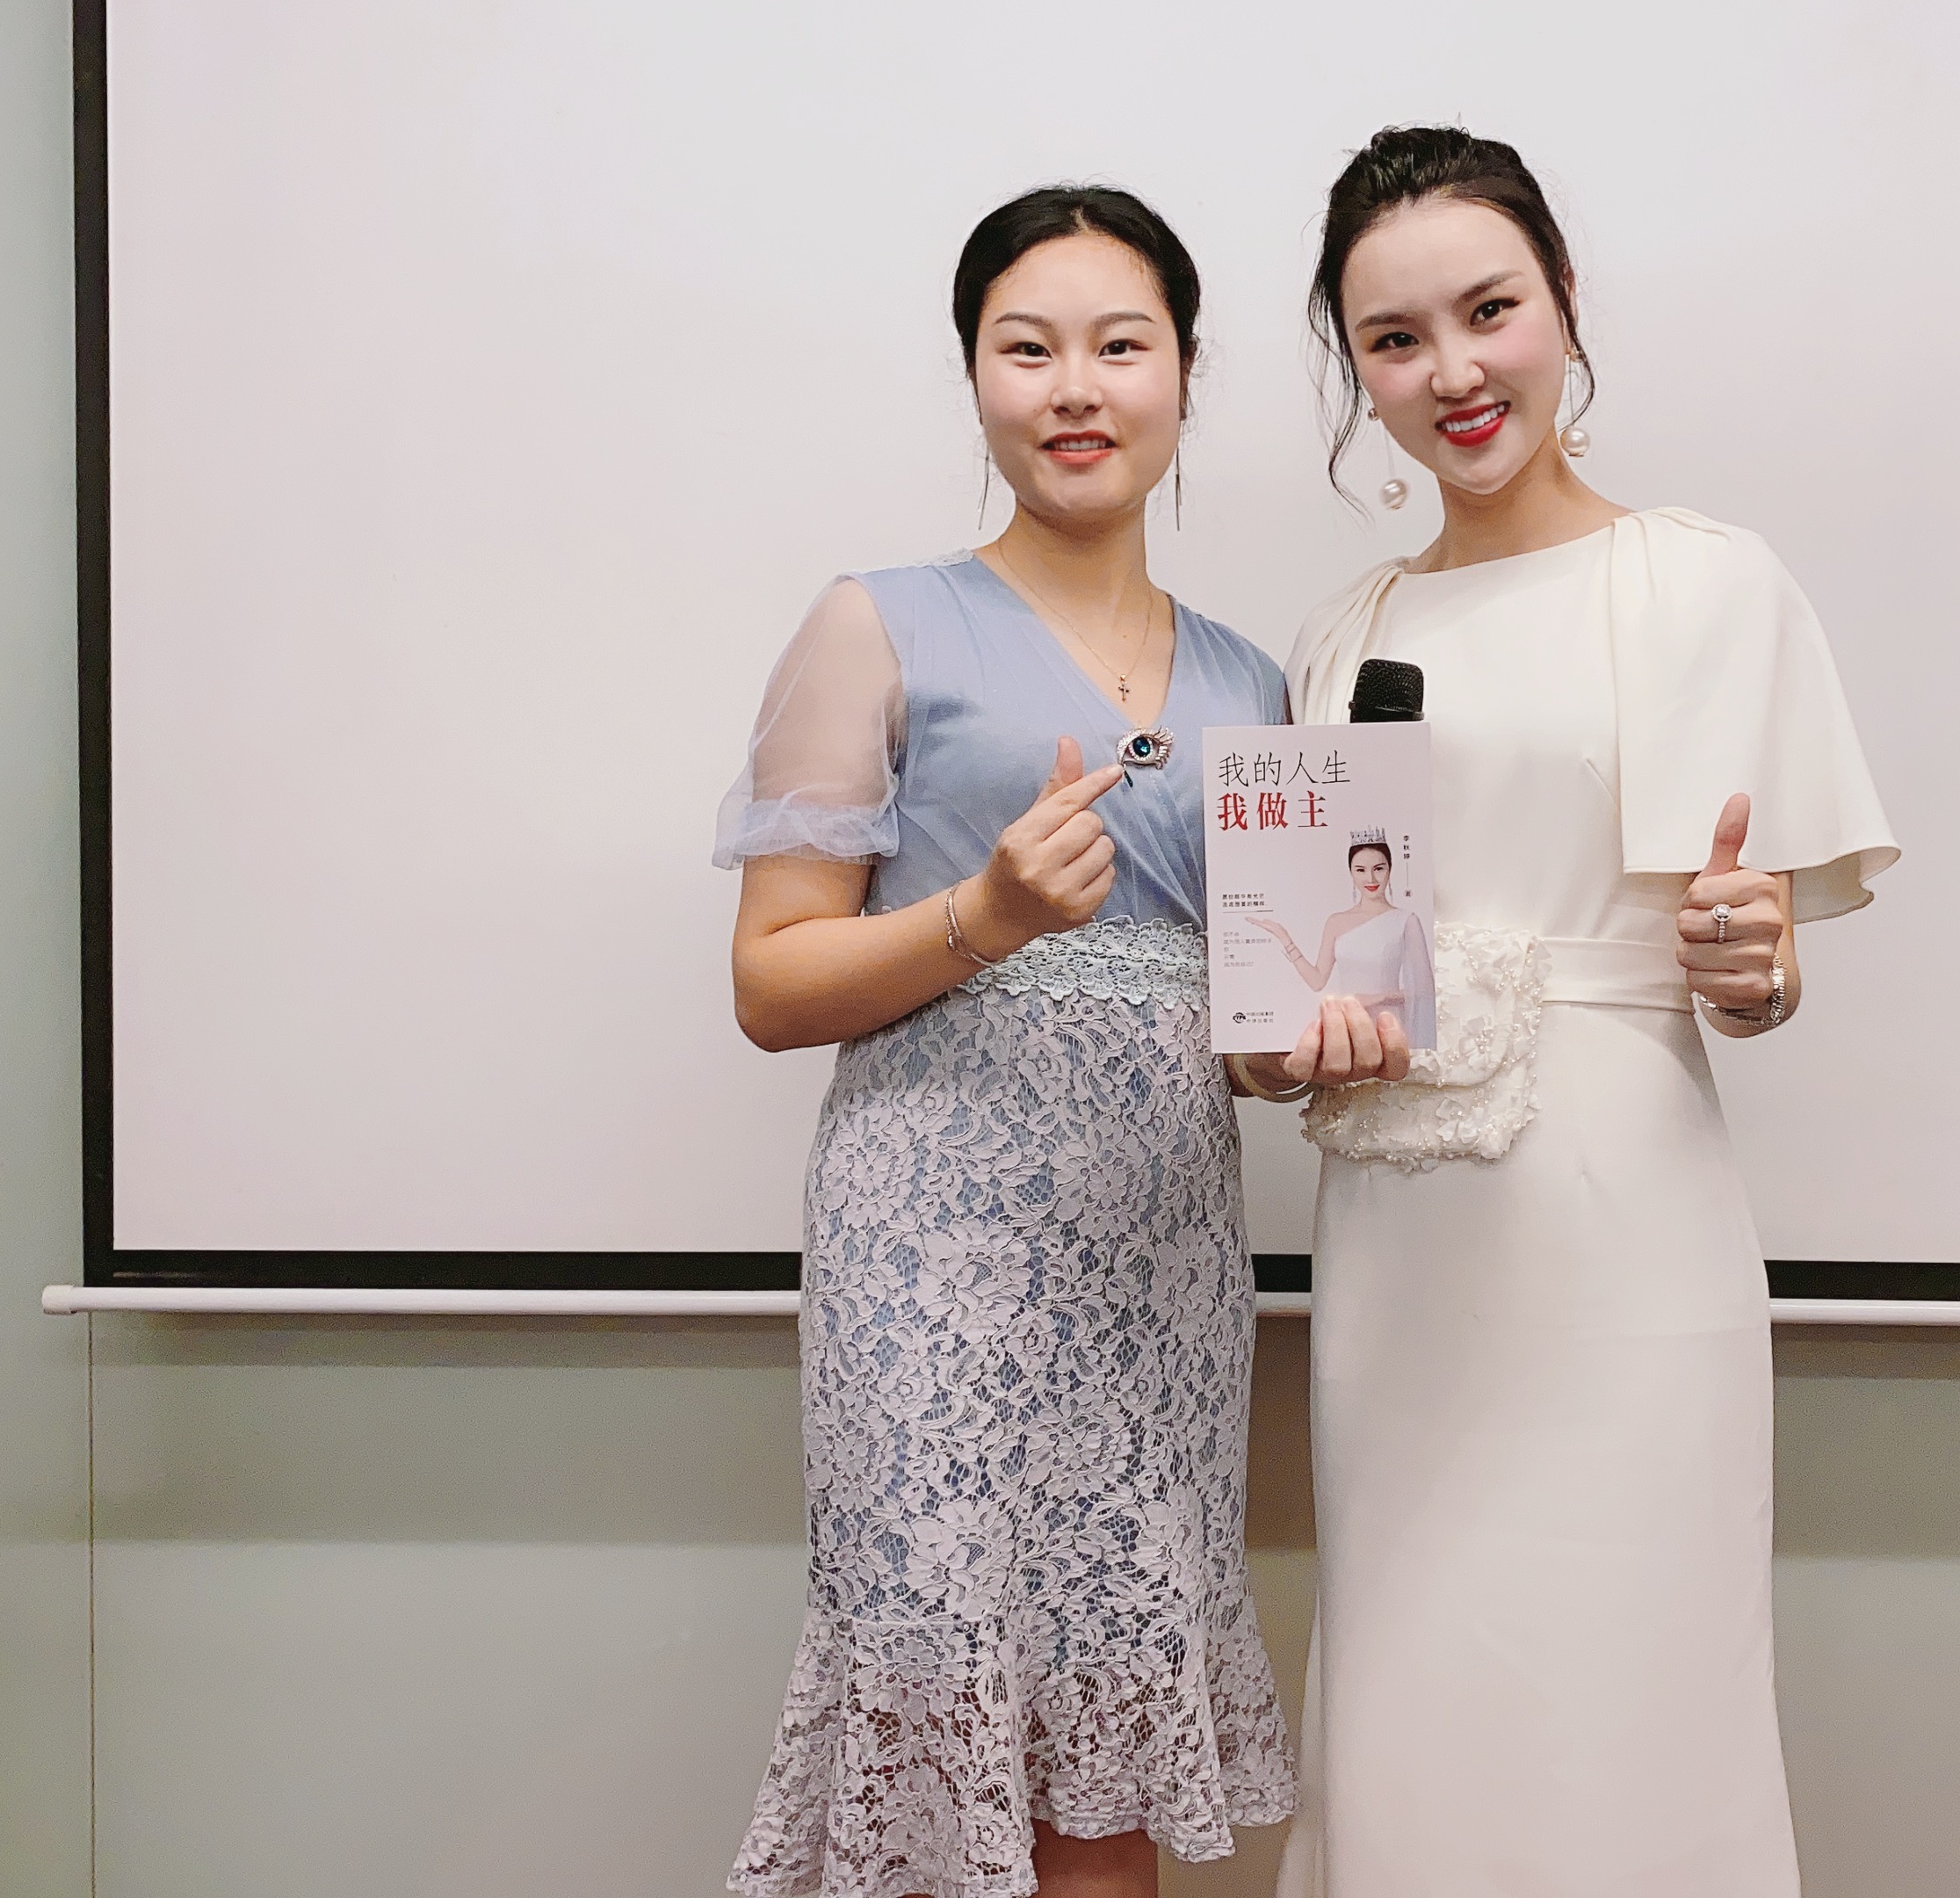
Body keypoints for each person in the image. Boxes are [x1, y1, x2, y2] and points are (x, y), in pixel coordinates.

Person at [1269, 127, 1899, 1897]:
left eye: (1490, 311)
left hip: (1625, 1241)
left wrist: (1756, 964)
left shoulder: (1701, 581)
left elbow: (1755, 961)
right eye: (1396, 340)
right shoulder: (1340, 637)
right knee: (1411, 1710)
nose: (1454, 373)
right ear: (1356, 370)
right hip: (1403, 1257)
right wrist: (1278, 1038)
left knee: (1630, 1696)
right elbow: (1301, 977)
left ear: (1560, 301)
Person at [714, 185, 1298, 1898]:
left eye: (1122, 345)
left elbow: (1252, 1033)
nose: (1076, 389)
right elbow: (770, 983)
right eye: (1027, 349)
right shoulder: (875, 621)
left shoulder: (1256, 684)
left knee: (1105, 1742)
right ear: (974, 376)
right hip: (929, 1260)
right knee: (936, 1690)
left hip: (1160, 1264)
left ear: (1185, 373)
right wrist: (988, 913)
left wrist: (1308, 1050)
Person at [1245, 834, 1436, 1047]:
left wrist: (1378, 998)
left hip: (1387, 1022)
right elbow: (1317, 981)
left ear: (1390, 869)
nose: (1371, 879)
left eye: (1378, 869)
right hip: (1345, 1021)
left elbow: (1424, 991)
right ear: (1351, 873)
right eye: (1361, 870)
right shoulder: (1336, 922)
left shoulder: (1406, 921)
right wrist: (1284, 938)